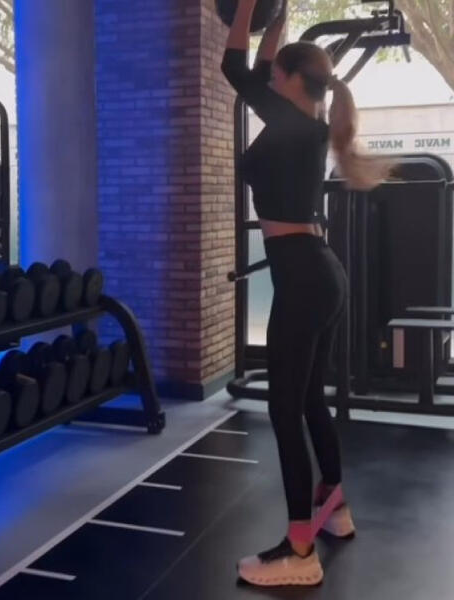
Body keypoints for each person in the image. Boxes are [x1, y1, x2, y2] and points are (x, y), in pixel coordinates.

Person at [221, 0, 391, 587]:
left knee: (284, 409)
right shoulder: (305, 123)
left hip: (303, 275)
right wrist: (278, 17)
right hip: (319, 271)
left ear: (294, 82)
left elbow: (235, 67)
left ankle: (299, 551)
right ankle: (334, 505)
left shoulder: (293, 124)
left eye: (277, 74)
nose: (267, 79)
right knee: (309, 398)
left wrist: (248, 7)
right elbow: (256, 68)